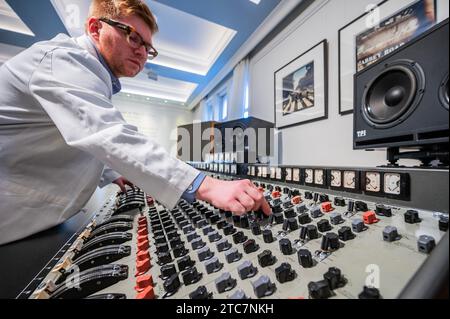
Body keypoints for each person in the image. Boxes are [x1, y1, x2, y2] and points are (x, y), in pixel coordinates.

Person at [0, 0, 271, 246]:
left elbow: (79, 133)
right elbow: (106, 133)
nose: (142, 52)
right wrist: (207, 185)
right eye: (133, 37)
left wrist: (111, 171)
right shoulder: (63, 58)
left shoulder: (92, 77)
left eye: (148, 47)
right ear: (95, 28)